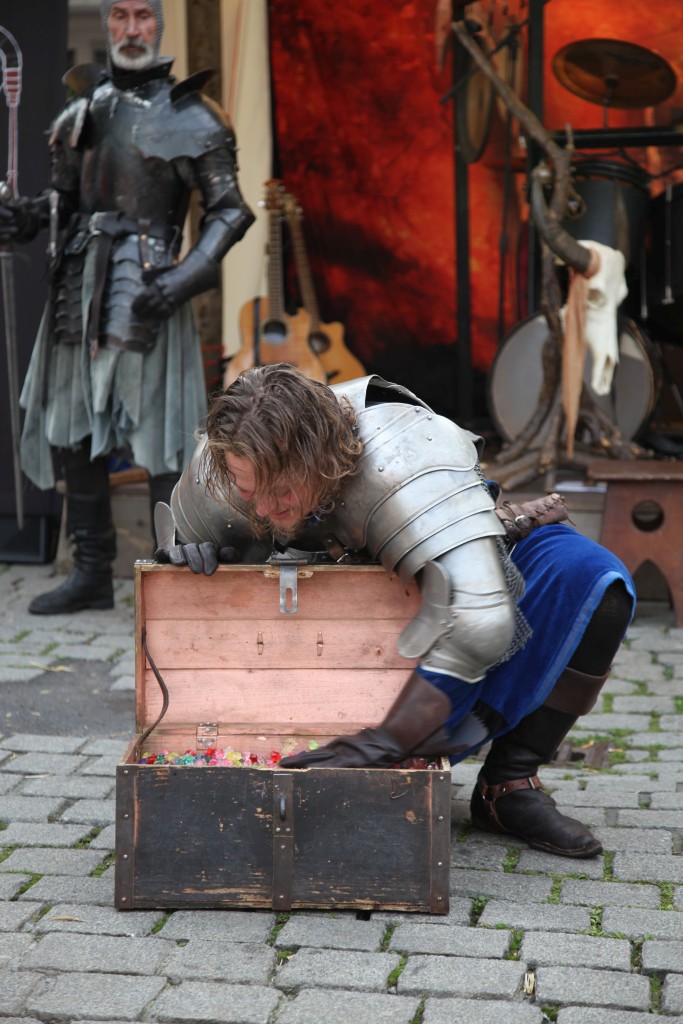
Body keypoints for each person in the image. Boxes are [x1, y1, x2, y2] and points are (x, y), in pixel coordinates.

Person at [157, 362, 635, 858]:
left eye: (280, 491)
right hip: (327, 650)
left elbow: (481, 620)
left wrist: (393, 737)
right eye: (248, 490)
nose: (260, 510)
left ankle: (509, 784)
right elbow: (170, 545)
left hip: (439, 584)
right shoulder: (222, 466)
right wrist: (184, 555)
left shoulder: (398, 458)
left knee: (592, 579)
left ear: (319, 460)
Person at [0, 0, 254, 614]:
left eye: (143, 15)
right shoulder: (83, 110)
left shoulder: (193, 114)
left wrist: (185, 278)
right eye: (120, 16)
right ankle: (92, 572)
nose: (132, 28)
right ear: (108, 23)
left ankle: (171, 572)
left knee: (161, 434)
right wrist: (21, 217)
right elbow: (63, 204)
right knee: (73, 429)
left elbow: (230, 210)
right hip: (77, 285)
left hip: (149, 287)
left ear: (158, 23)